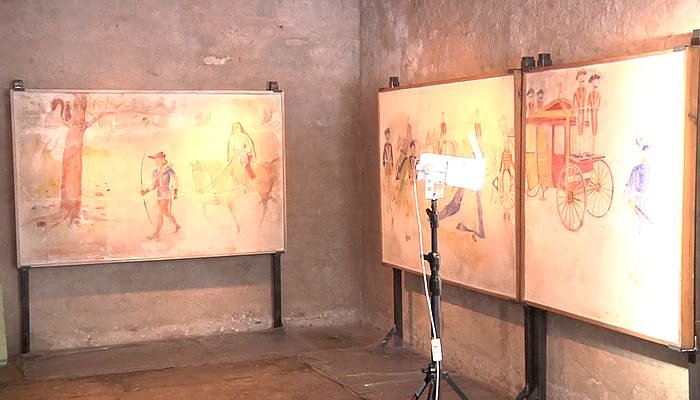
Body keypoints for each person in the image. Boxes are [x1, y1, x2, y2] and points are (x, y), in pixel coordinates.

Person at [140, 151, 180, 240]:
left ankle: (157, 233)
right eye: (155, 160)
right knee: (166, 212)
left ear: (163, 160)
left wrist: (175, 191)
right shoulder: (155, 172)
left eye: (158, 159)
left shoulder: (168, 170)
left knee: (160, 213)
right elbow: (154, 185)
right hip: (159, 195)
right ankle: (177, 225)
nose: (156, 161)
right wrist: (146, 191)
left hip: (166, 195)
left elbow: (176, 179)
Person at [227, 121, 257, 187]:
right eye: (234, 127)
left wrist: (243, 151)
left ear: (240, 127)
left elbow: (249, 147)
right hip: (235, 156)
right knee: (232, 169)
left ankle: (247, 183)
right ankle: (236, 184)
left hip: (243, 155)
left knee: (244, 166)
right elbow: (230, 150)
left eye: (237, 127)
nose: (236, 128)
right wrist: (231, 157)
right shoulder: (231, 138)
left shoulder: (244, 136)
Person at [587, 74, 602, 153]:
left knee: (596, 129)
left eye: (596, 82)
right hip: (591, 114)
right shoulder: (590, 94)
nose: (595, 84)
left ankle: (595, 148)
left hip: (596, 114)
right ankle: (591, 148)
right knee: (591, 130)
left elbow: (598, 104)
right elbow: (588, 103)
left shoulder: (599, 93)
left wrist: (595, 107)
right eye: (593, 82)